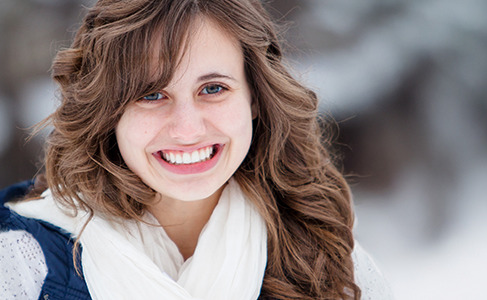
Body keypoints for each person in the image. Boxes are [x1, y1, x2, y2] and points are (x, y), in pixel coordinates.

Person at [0, 0, 393, 299]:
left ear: (255, 98)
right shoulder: (21, 263)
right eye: (151, 94)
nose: (187, 129)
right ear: (109, 110)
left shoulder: (327, 260)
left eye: (213, 88)